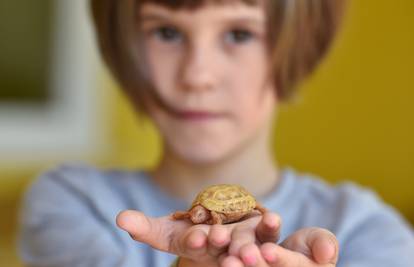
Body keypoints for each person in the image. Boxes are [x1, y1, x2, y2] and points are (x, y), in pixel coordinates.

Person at [18, 0, 414, 266]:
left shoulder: (366, 229)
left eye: (239, 34)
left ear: (298, 47)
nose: (197, 76)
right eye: (167, 32)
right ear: (124, 47)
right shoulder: (71, 201)